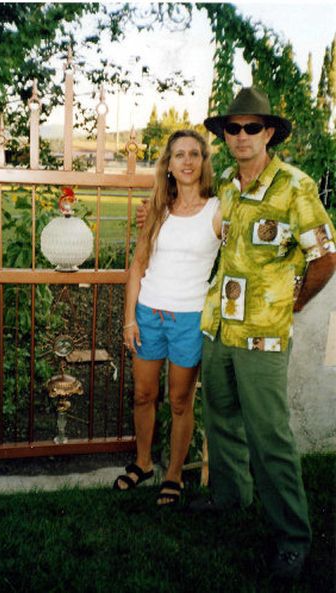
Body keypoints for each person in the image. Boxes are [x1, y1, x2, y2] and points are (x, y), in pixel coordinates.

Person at [136, 87, 336, 579]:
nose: (242, 136)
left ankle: (292, 536)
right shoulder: (223, 184)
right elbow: (185, 220)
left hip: (264, 336)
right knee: (220, 419)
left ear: (269, 133)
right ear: (224, 136)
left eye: (252, 128)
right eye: (233, 128)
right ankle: (231, 498)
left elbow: (325, 256)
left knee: (269, 436)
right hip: (217, 329)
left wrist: (294, 301)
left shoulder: (296, 186)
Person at [113, 129, 222, 507]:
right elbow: (138, 265)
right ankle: (143, 463)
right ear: (169, 164)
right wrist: (130, 318)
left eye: (195, 154)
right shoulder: (156, 207)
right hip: (149, 314)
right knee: (144, 394)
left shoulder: (218, 210)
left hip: (189, 319)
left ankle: (173, 473)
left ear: (204, 162)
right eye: (180, 155)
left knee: (179, 401)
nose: (188, 161)